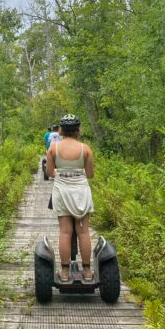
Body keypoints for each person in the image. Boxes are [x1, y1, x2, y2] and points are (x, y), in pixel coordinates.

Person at [46, 114, 94, 282]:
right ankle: (87, 271)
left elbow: (49, 172)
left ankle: (65, 272)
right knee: (83, 232)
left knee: (65, 232)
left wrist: (61, 171)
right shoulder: (85, 149)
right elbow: (90, 174)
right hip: (81, 192)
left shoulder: (53, 148)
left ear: (61, 130)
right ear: (78, 130)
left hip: (62, 191)